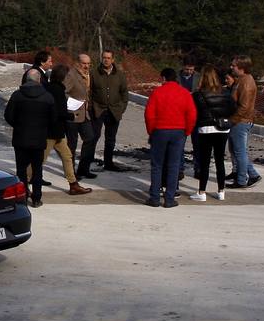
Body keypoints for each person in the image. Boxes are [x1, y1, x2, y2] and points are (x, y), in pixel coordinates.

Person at [143, 67, 196, 208]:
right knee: (174, 165)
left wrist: (151, 132)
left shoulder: (157, 93)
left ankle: (154, 197)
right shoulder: (185, 93)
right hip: (178, 132)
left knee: (157, 165)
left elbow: (149, 115)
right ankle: (170, 198)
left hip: (160, 131)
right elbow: (191, 115)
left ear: (163, 78)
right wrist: (187, 132)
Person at [4, 69, 54, 207]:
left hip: (21, 138)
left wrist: (19, 125)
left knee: (21, 170)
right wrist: (44, 129)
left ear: (26, 80)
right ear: (39, 80)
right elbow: (53, 119)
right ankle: (37, 198)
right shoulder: (47, 97)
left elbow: (8, 116)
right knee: (37, 170)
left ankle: (23, 196)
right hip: (39, 139)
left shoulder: (17, 96)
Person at [191, 64, 235, 201]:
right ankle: (221, 191)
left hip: (206, 128)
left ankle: (202, 192)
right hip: (223, 128)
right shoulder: (226, 93)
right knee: (219, 160)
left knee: (204, 161)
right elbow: (232, 109)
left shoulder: (198, 94)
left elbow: (194, 113)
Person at [46, 65, 91, 195]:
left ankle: (73, 184)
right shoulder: (57, 90)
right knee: (40, 160)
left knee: (67, 156)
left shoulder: (51, 88)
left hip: (57, 133)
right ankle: (23, 182)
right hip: (51, 133)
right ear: (63, 77)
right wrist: (71, 115)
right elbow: (59, 111)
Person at [89, 50, 130, 172]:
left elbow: (124, 93)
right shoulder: (94, 73)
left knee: (111, 139)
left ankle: (108, 163)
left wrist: (121, 108)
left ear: (113, 60)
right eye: (104, 57)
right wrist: (91, 107)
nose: (106, 60)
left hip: (114, 111)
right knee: (93, 136)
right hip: (98, 110)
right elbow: (89, 92)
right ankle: (88, 161)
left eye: (108, 58)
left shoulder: (120, 75)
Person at [227, 55, 263, 189]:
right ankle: (251, 174)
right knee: (237, 150)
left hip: (241, 121)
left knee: (239, 151)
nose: (231, 67)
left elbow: (244, 106)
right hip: (239, 120)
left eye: (233, 66)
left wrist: (231, 121)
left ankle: (242, 180)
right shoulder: (241, 80)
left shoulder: (246, 82)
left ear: (241, 67)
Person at [65, 53, 98, 178]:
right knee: (72, 144)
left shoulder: (89, 75)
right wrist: (73, 103)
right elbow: (64, 92)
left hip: (85, 114)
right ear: (78, 63)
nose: (86, 66)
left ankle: (83, 169)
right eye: (84, 63)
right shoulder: (71, 75)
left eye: (88, 63)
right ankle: (70, 172)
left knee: (90, 139)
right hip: (73, 114)